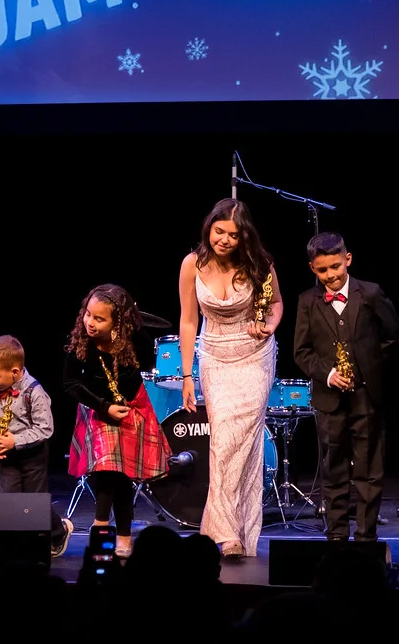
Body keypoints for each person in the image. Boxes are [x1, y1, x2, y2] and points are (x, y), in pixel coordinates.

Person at [176, 198, 282, 558]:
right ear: (209, 228)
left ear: (243, 237)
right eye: (219, 231)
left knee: (248, 443)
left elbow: (277, 303)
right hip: (215, 358)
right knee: (223, 441)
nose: (224, 239)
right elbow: (188, 320)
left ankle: (230, 534)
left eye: (232, 235)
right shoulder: (193, 264)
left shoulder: (258, 264)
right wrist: (187, 375)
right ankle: (225, 528)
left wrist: (268, 325)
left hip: (254, 358)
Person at [291, 232, 399, 543]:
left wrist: (367, 365)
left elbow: (393, 334)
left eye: (336, 267)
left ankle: (366, 537)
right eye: (323, 270)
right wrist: (327, 374)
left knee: (368, 469)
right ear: (313, 268)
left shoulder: (371, 293)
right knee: (333, 469)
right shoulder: (307, 302)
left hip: (367, 397)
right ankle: (337, 536)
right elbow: (301, 351)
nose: (331, 275)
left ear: (348, 259)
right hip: (329, 400)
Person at [64, 284, 171, 559]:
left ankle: (123, 536)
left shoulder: (135, 340)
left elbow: (144, 365)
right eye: (88, 314)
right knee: (108, 466)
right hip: (97, 409)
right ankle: (101, 526)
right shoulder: (81, 341)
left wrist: (122, 404)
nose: (90, 322)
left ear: (117, 322)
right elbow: (70, 383)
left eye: (99, 319)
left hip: (131, 407)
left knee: (123, 474)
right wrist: (104, 406)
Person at [0, 334, 74, 555]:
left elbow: (45, 428)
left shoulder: (35, 393)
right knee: (9, 500)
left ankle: (58, 531)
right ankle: (17, 544)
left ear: (15, 372)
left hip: (33, 455)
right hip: (8, 455)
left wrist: (15, 441)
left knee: (35, 502)